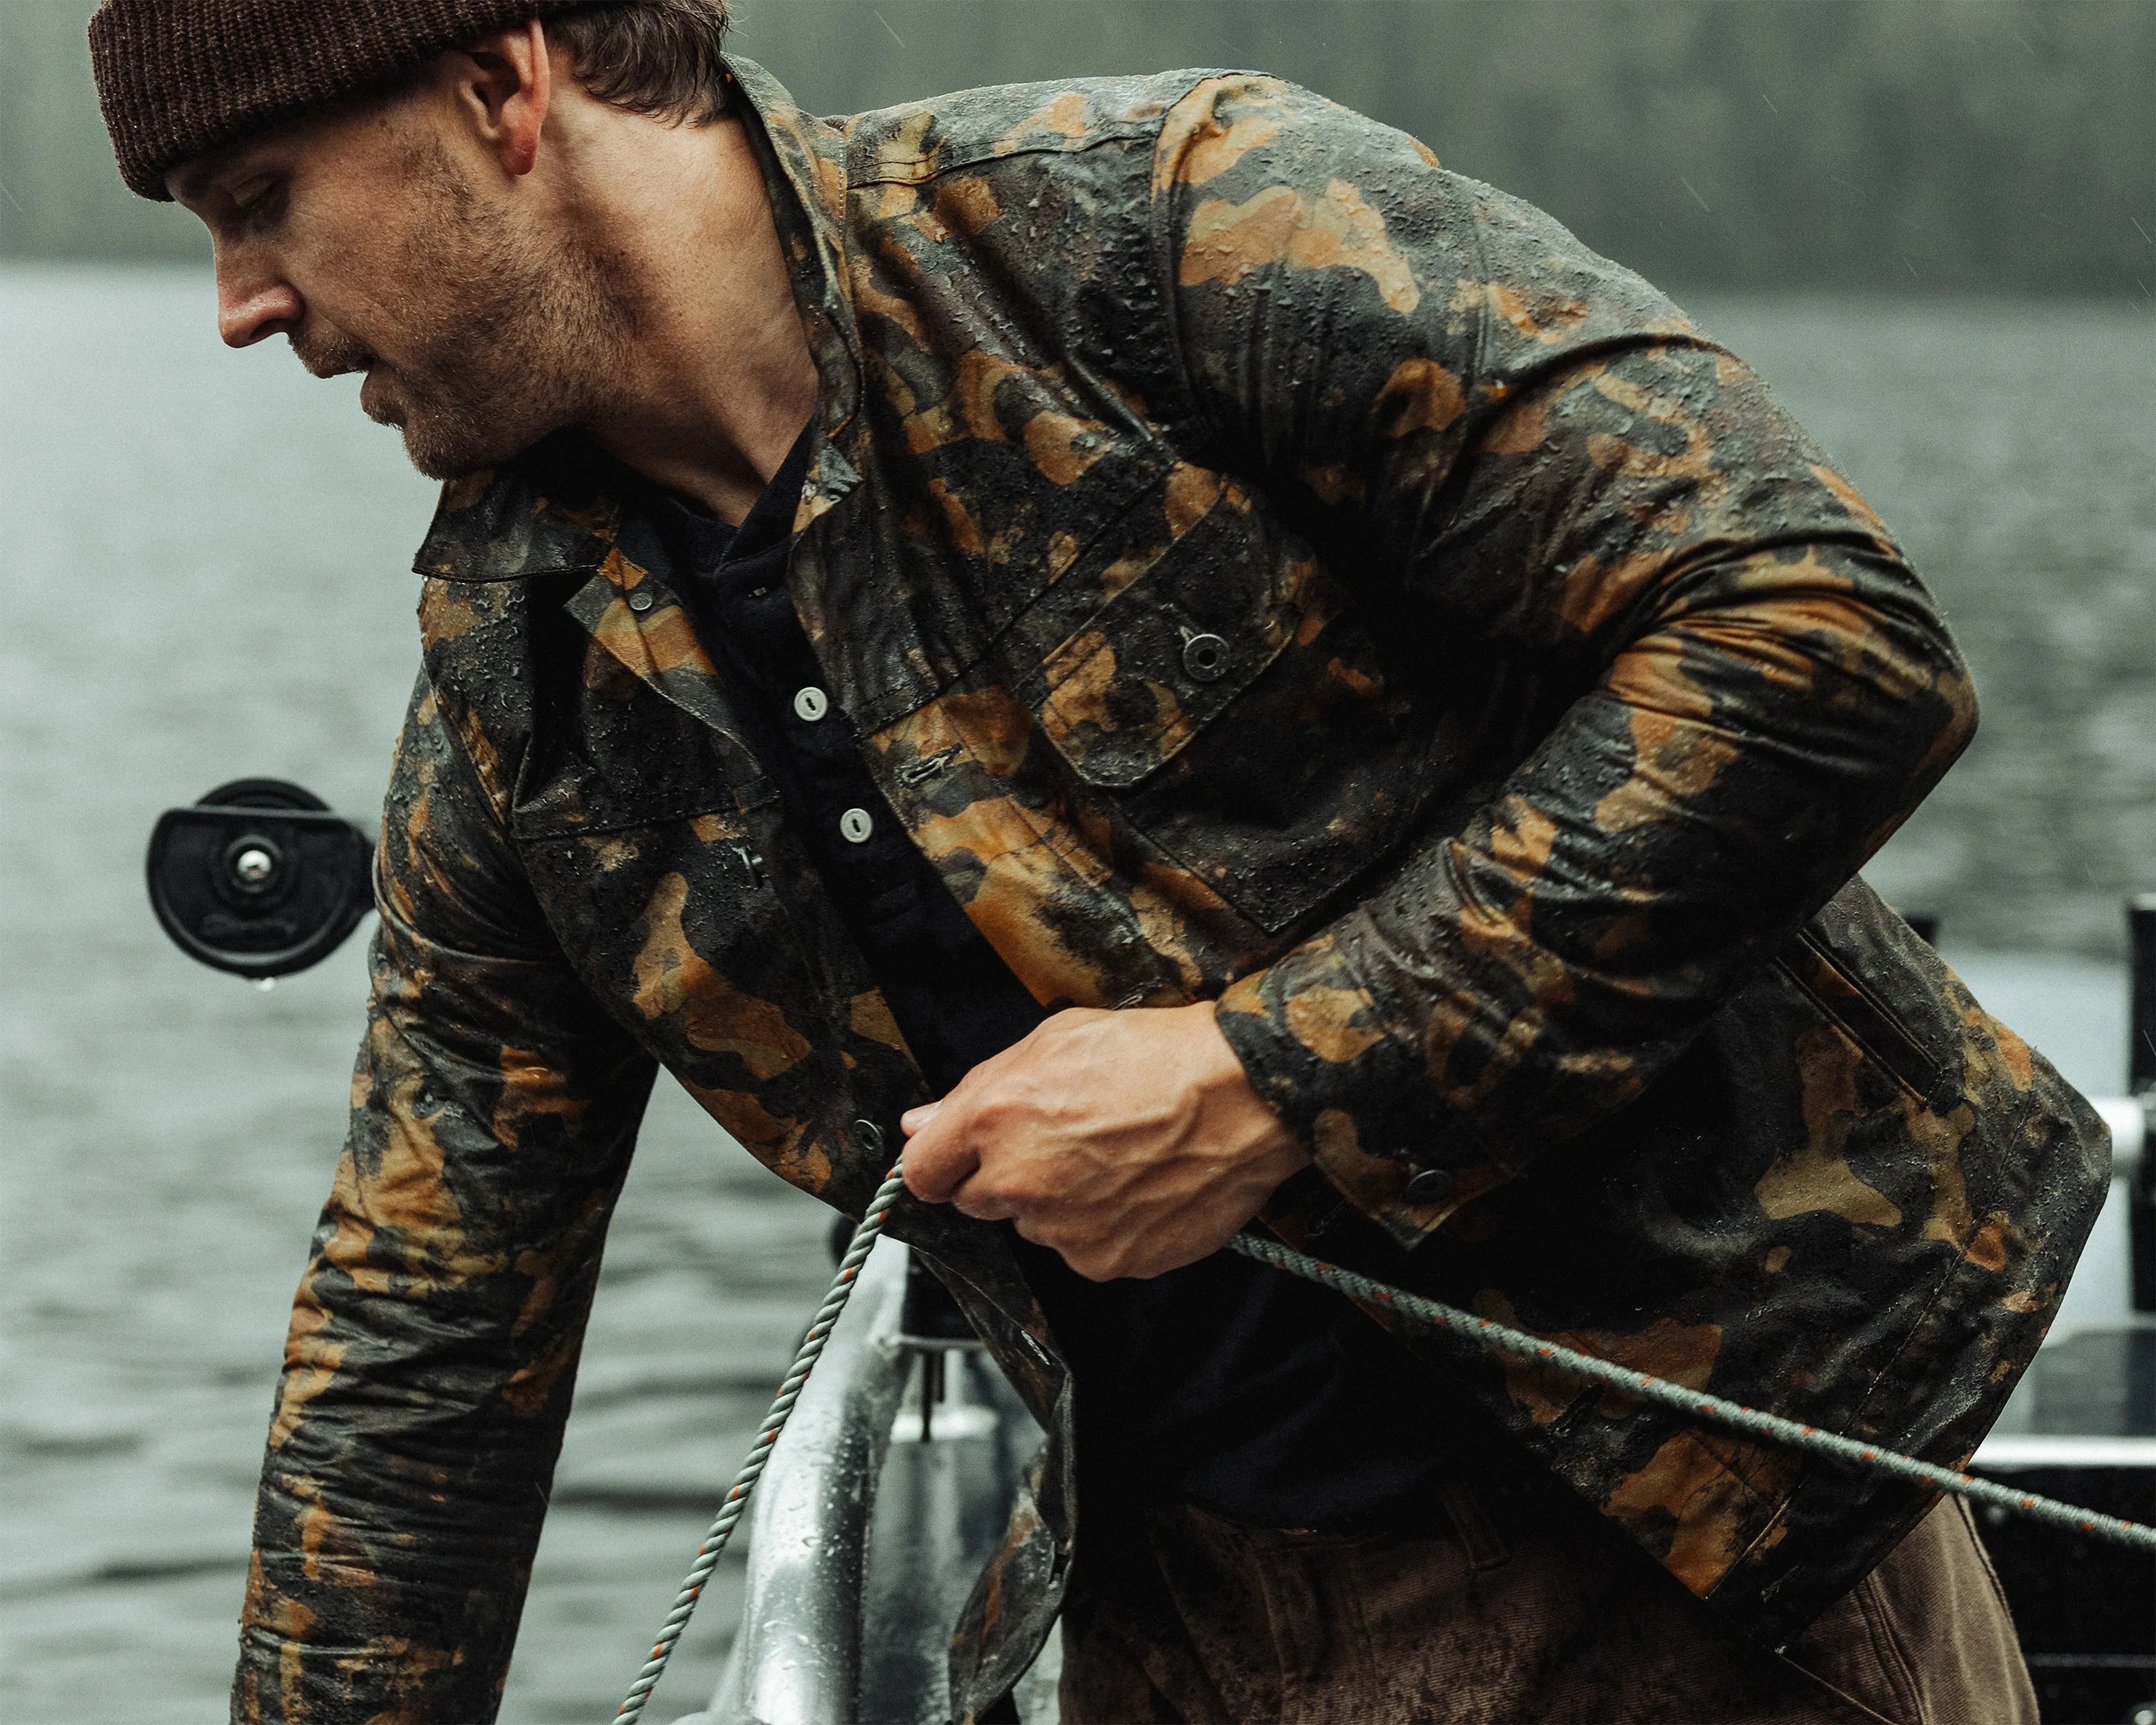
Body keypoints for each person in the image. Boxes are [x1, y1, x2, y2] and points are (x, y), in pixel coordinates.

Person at [90, 2, 2110, 1721]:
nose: (243, 306)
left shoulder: (1162, 229)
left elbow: (1813, 638)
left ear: (502, 90)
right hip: (1186, 1628)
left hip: (1717, 1554)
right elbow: (421, 1351)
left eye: (259, 200)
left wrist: (1270, 1074)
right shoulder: (513, 686)